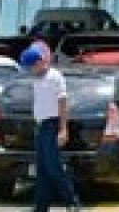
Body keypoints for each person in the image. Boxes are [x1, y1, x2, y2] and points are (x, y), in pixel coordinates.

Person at [22, 47, 80, 212]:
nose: (30, 70)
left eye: (31, 66)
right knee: (42, 168)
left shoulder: (55, 76)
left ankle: (72, 201)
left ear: (39, 62)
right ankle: (41, 206)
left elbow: (62, 102)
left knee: (54, 167)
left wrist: (63, 129)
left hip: (52, 125)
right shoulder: (36, 79)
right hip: (40, 126)